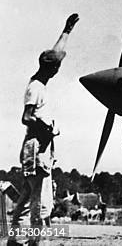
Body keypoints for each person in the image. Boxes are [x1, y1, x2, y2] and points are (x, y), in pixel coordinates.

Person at [8, 14, 79, 246]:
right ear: (54, 68)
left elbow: (55, 54)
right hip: (37, 148)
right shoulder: (36, 88)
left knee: (28, 200)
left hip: (39, 148)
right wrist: (47, 128)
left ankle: (14, 240)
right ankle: (34, 243)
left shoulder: (39, 81)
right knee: (42, 204)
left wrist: (67, 30)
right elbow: (26, 117)